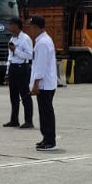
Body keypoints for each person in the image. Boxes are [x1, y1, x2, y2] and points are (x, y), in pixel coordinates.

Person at [29, 16, 58, 150]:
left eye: (31, 27)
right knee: (44, 112)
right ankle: (46, 138)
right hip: (46, 83)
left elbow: (40, 66)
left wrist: (35, 84)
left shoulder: (42, 43)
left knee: (46, 113)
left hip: (44, 84)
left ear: (35, 27)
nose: (30, 30)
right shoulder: (44, 40)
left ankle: (50, 141)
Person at [3, 16, 34, 129]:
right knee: (13, 96)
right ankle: (14, 120)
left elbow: (29, 55)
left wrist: (16, 50)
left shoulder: (25, 39)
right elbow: (10, 57)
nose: (9, 27)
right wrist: (7, 71)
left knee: (25, 95)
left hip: (22, 68)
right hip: (13, 68)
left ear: (16, 26)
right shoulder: (12, 39)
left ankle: (28, 121)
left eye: (11, 25)